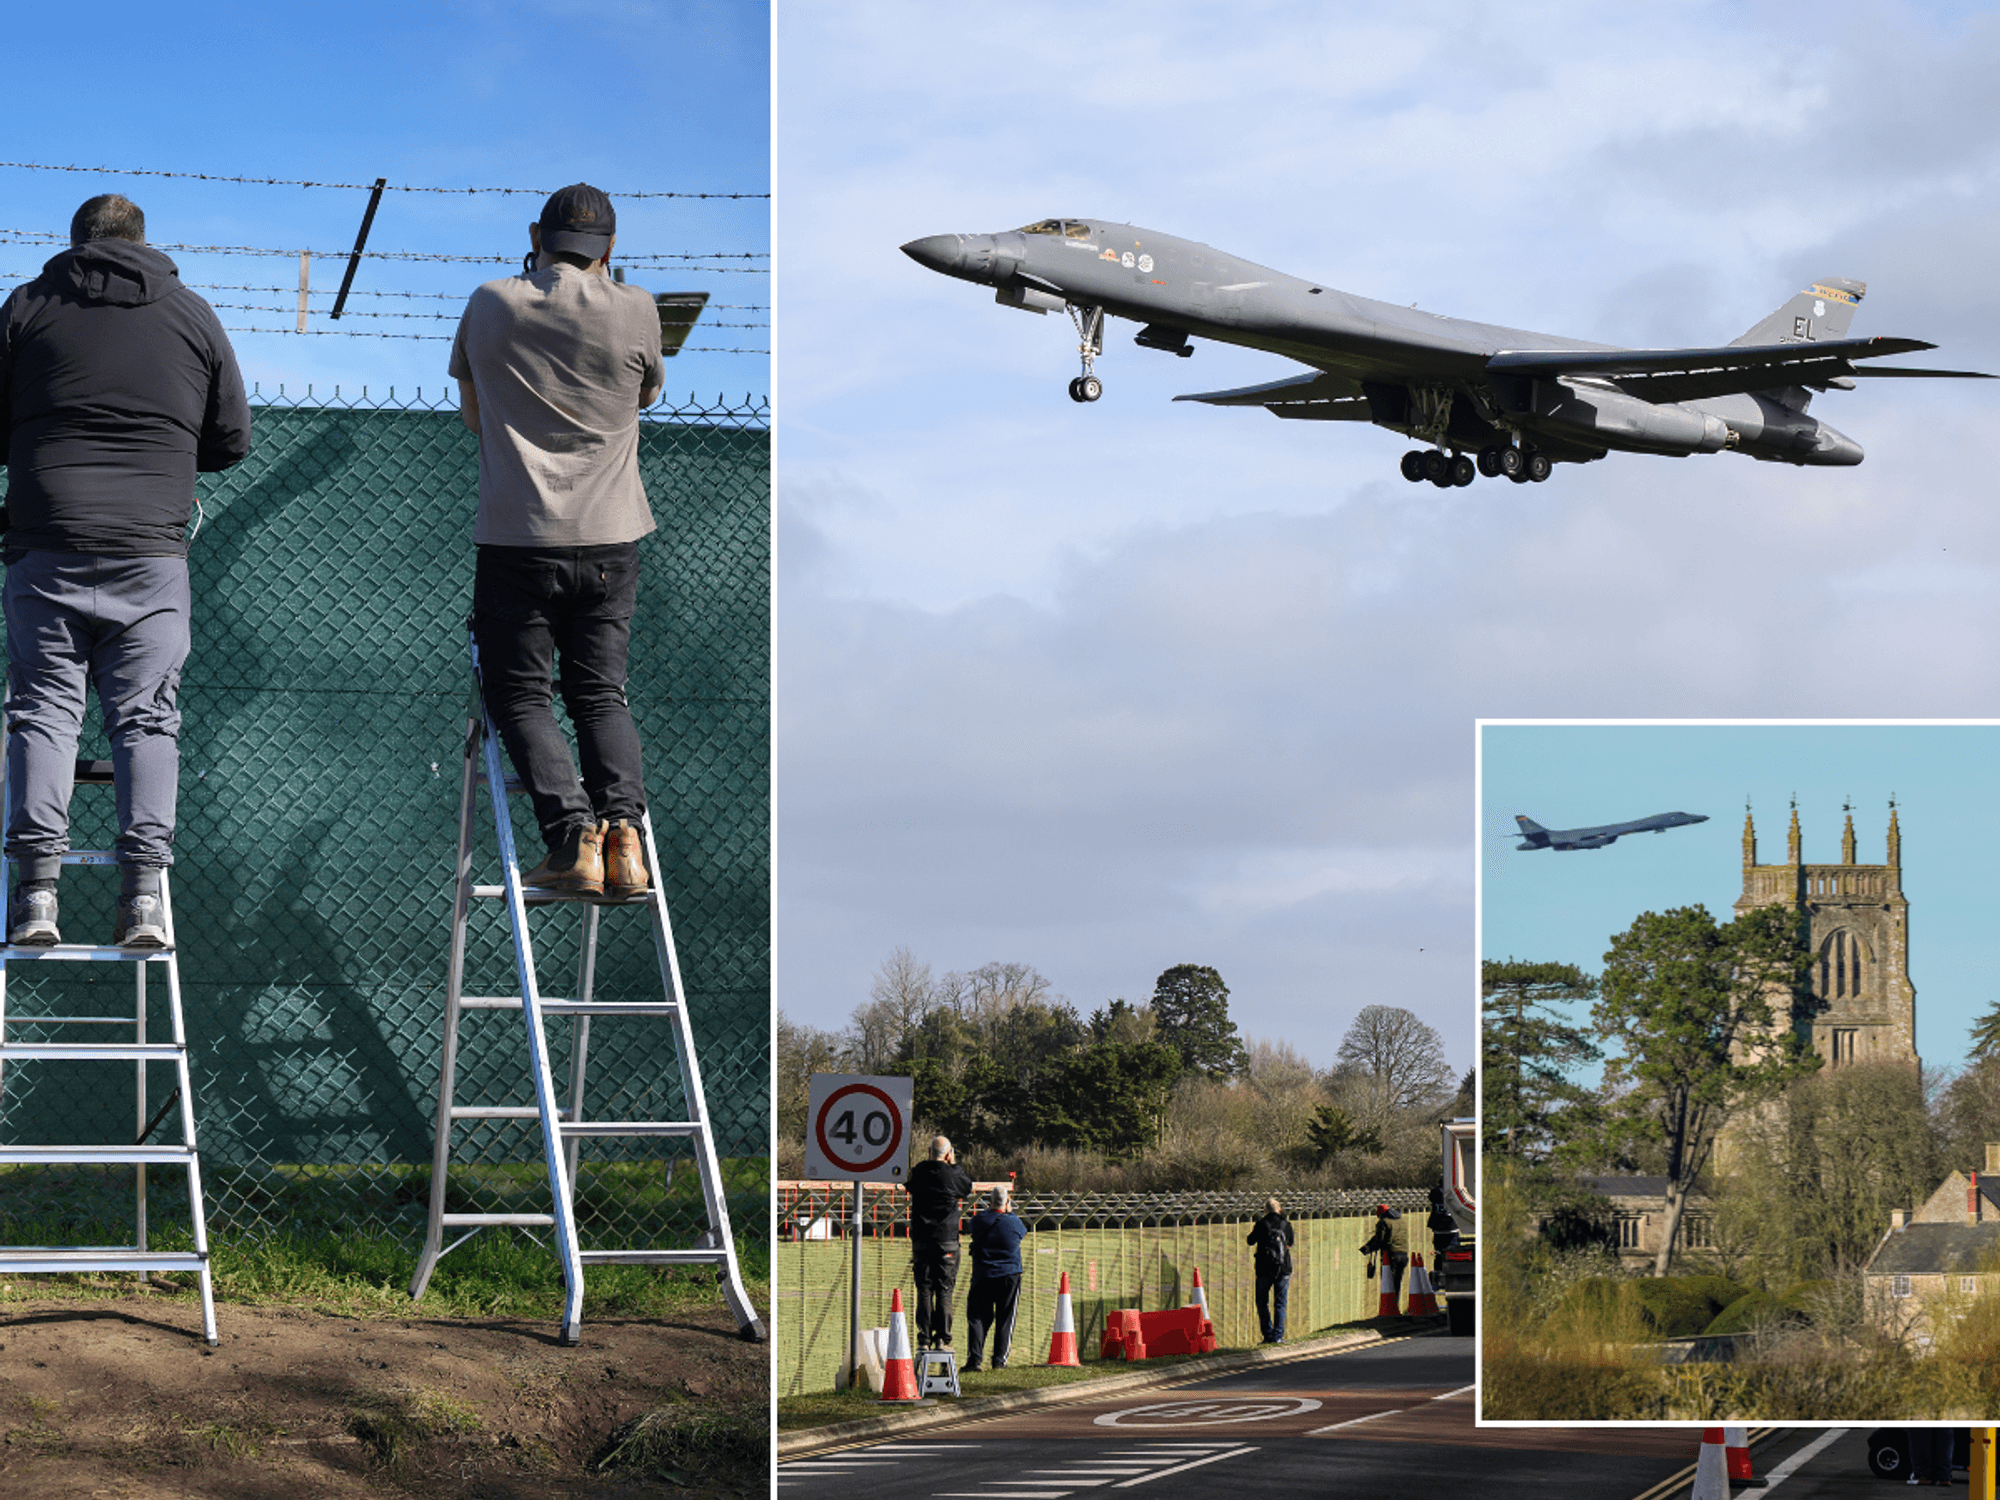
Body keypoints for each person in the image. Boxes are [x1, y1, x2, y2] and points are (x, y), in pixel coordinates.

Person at [1, 194, 250, 947]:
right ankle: (143, 898)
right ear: (145, 241)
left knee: (44, 710)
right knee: (145, 718)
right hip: (150, 553)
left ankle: (35, 896)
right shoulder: (192, 314)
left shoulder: (27, 308)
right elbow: (231, 438)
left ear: (74, 242)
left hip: (47, 545)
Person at [450, 182, 665, 897]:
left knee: (520, 694)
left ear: (534, 236)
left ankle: (573, 836)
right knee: (600, 694)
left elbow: (474, 415)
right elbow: (646, 397)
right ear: (608, 248)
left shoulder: (491, 302)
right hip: (612, 536)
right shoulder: (637, 308)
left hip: (519, 534)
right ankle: (626, 840)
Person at [905, 1134, 972, 1350]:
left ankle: (924, 1337)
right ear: (949, 1154)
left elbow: (910, 1185)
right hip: (947, 1239)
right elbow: (967, 1187)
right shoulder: (953, 1175)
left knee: (924, 1289)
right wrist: (953, 1166)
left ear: (929, 1153)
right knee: (944, 1289)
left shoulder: (920, 1172)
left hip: (923, 1239)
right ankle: (943, 1337)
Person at [963, 1186, 1025, 1372]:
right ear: (1007, 1202)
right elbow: (1021, 1233)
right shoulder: (1014, 1222)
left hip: (983, 1275)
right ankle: (999, 1360)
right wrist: (1010, 1212)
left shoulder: (979, 1220)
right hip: (1009, 1275)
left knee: (977, 1317)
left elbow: (970, 1227)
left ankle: (974, 1360)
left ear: (989, 1201)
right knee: (1005, 1318)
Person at [1248, 1196, 1294, 1343]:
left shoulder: (1261, 1224)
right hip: (1283, 1268)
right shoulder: (1286, 1224)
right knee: (1280, 1303)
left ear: (1265, 1210)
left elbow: (1250, 1240)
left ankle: (1267, 1334)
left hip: (1263, 1269)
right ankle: (1278, 1336)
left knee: (1262, 1302)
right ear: (1279, 1210)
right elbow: (1290, 1242)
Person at [1360, 1203, 1411, 1313]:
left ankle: (1389, 1310)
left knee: (1388, 1283)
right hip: (1403, 1255)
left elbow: (1380, 1240)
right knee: (1397, 1282)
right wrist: (1370, 1245)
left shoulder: (1383, 1223)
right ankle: (1395, 1307)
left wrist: (1369, 1249)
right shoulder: (1401, 1221)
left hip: (1391, 1256)